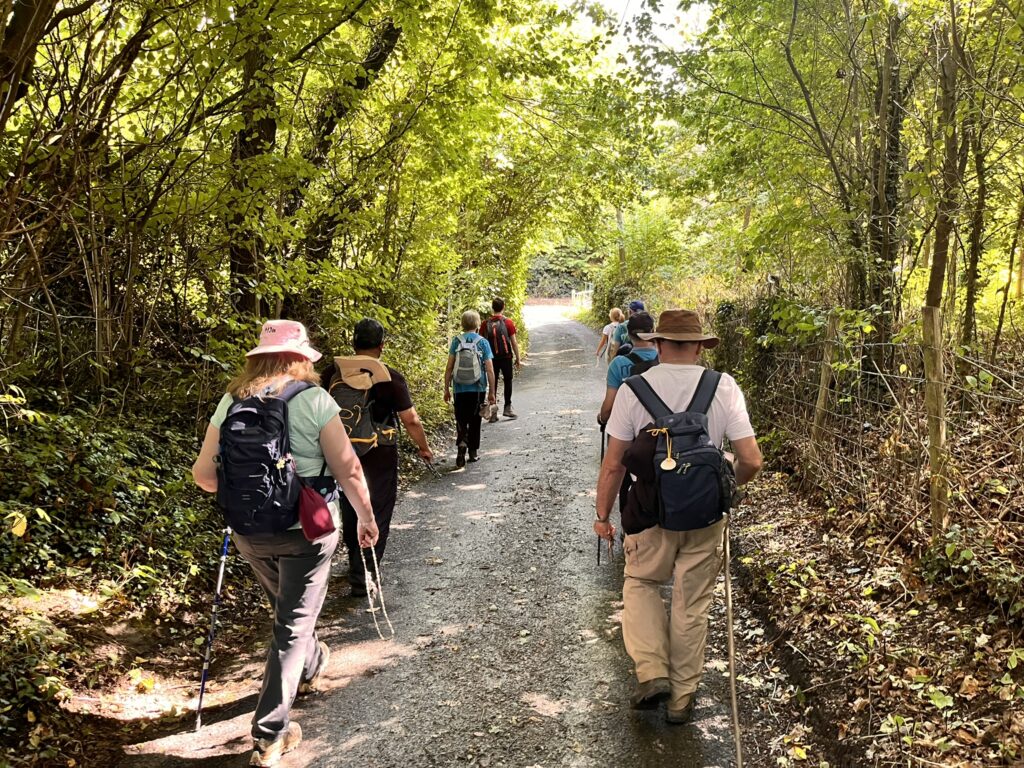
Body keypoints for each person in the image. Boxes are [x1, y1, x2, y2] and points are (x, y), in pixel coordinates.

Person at [192, 320, 378, 767]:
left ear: (258, 358)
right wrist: (366, 518)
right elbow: (350, 470)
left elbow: (203, 476)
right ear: (301, 359)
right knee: (292, 621)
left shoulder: (232, 400)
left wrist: (245, 495)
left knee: (289, 614)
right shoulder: (315, 400)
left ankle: (311, 663)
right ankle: (270, 735)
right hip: (308, 532)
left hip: (249, 532)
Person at [594, 309, 762, 725]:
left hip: (649, 512)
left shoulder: (634, 389)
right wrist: (726, 491)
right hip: (706, 515)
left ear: (658, 344)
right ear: (701, 347)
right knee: (691, 606)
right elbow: (751, 460)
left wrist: (602, 515)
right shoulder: (724, 386)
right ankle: (681, 700)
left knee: (642, 583)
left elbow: (614, 464)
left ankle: (652, 672)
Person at [322, 318, 435, 597]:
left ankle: (355, 566)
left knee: (351, 503)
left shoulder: (330, 374)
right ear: (381, 346)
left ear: (353, 343)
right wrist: (424, 447)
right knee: (379, 508)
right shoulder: (389, 377)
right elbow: (410, 419)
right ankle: (367, 572)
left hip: (341, 450)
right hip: (380, 452)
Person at [597, 311, 658, 520]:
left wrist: (602, 418)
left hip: (629, 435)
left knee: (623, 474)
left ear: (629, 335)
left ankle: (629, 519)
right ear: (653, 333)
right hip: (661, 433)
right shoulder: (664, 360)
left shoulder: (619, 364)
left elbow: (609, 406)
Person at [444, 310, 497, 467]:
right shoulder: (483, 343)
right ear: (478, 324)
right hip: (478, 388)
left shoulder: (456, 341)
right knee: (475, 420)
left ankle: (462, 445)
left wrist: (446, 388)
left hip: (459, 388)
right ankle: (473, 452)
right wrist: (492, 392)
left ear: (462, 324)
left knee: (461, 419)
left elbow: (449, 367)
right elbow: (490, 369)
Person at [482, 297, 522, 420]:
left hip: (491, 358)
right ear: (503, 307)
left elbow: (481, 342)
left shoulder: (485, 324)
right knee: (508, 380)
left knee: (493, 382)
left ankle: (493, 413)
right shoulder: (508, 322)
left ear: (492, 308)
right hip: (506, 357)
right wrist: (518, 358)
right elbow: (514, 342)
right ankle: (507, 408)